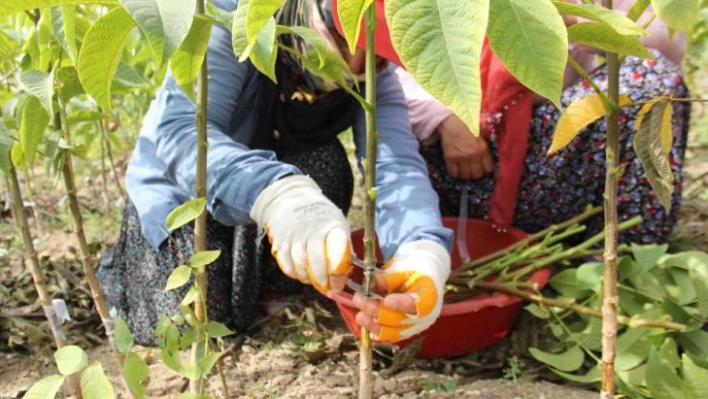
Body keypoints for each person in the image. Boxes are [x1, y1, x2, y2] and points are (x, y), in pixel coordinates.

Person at [98, 0, 452, 345]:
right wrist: (278, 193)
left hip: (267, 205)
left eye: (373, 54)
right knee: (186, 328)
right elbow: (182, 134)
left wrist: (421, 250)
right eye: (343, 40)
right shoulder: (235, 18)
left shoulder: (376, 77)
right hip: (185, 192)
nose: (353, 63)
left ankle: (269, 287)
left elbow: (394, 165)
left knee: (324, 159)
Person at [395, 0, 690, 244]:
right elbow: (385, 61)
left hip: (549, 163)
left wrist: (575, 20)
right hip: (451, 171)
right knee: (389, 125)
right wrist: (444, 117)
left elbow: (669, 40)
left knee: (654, 80)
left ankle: (620, 257)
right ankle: (423, 243)